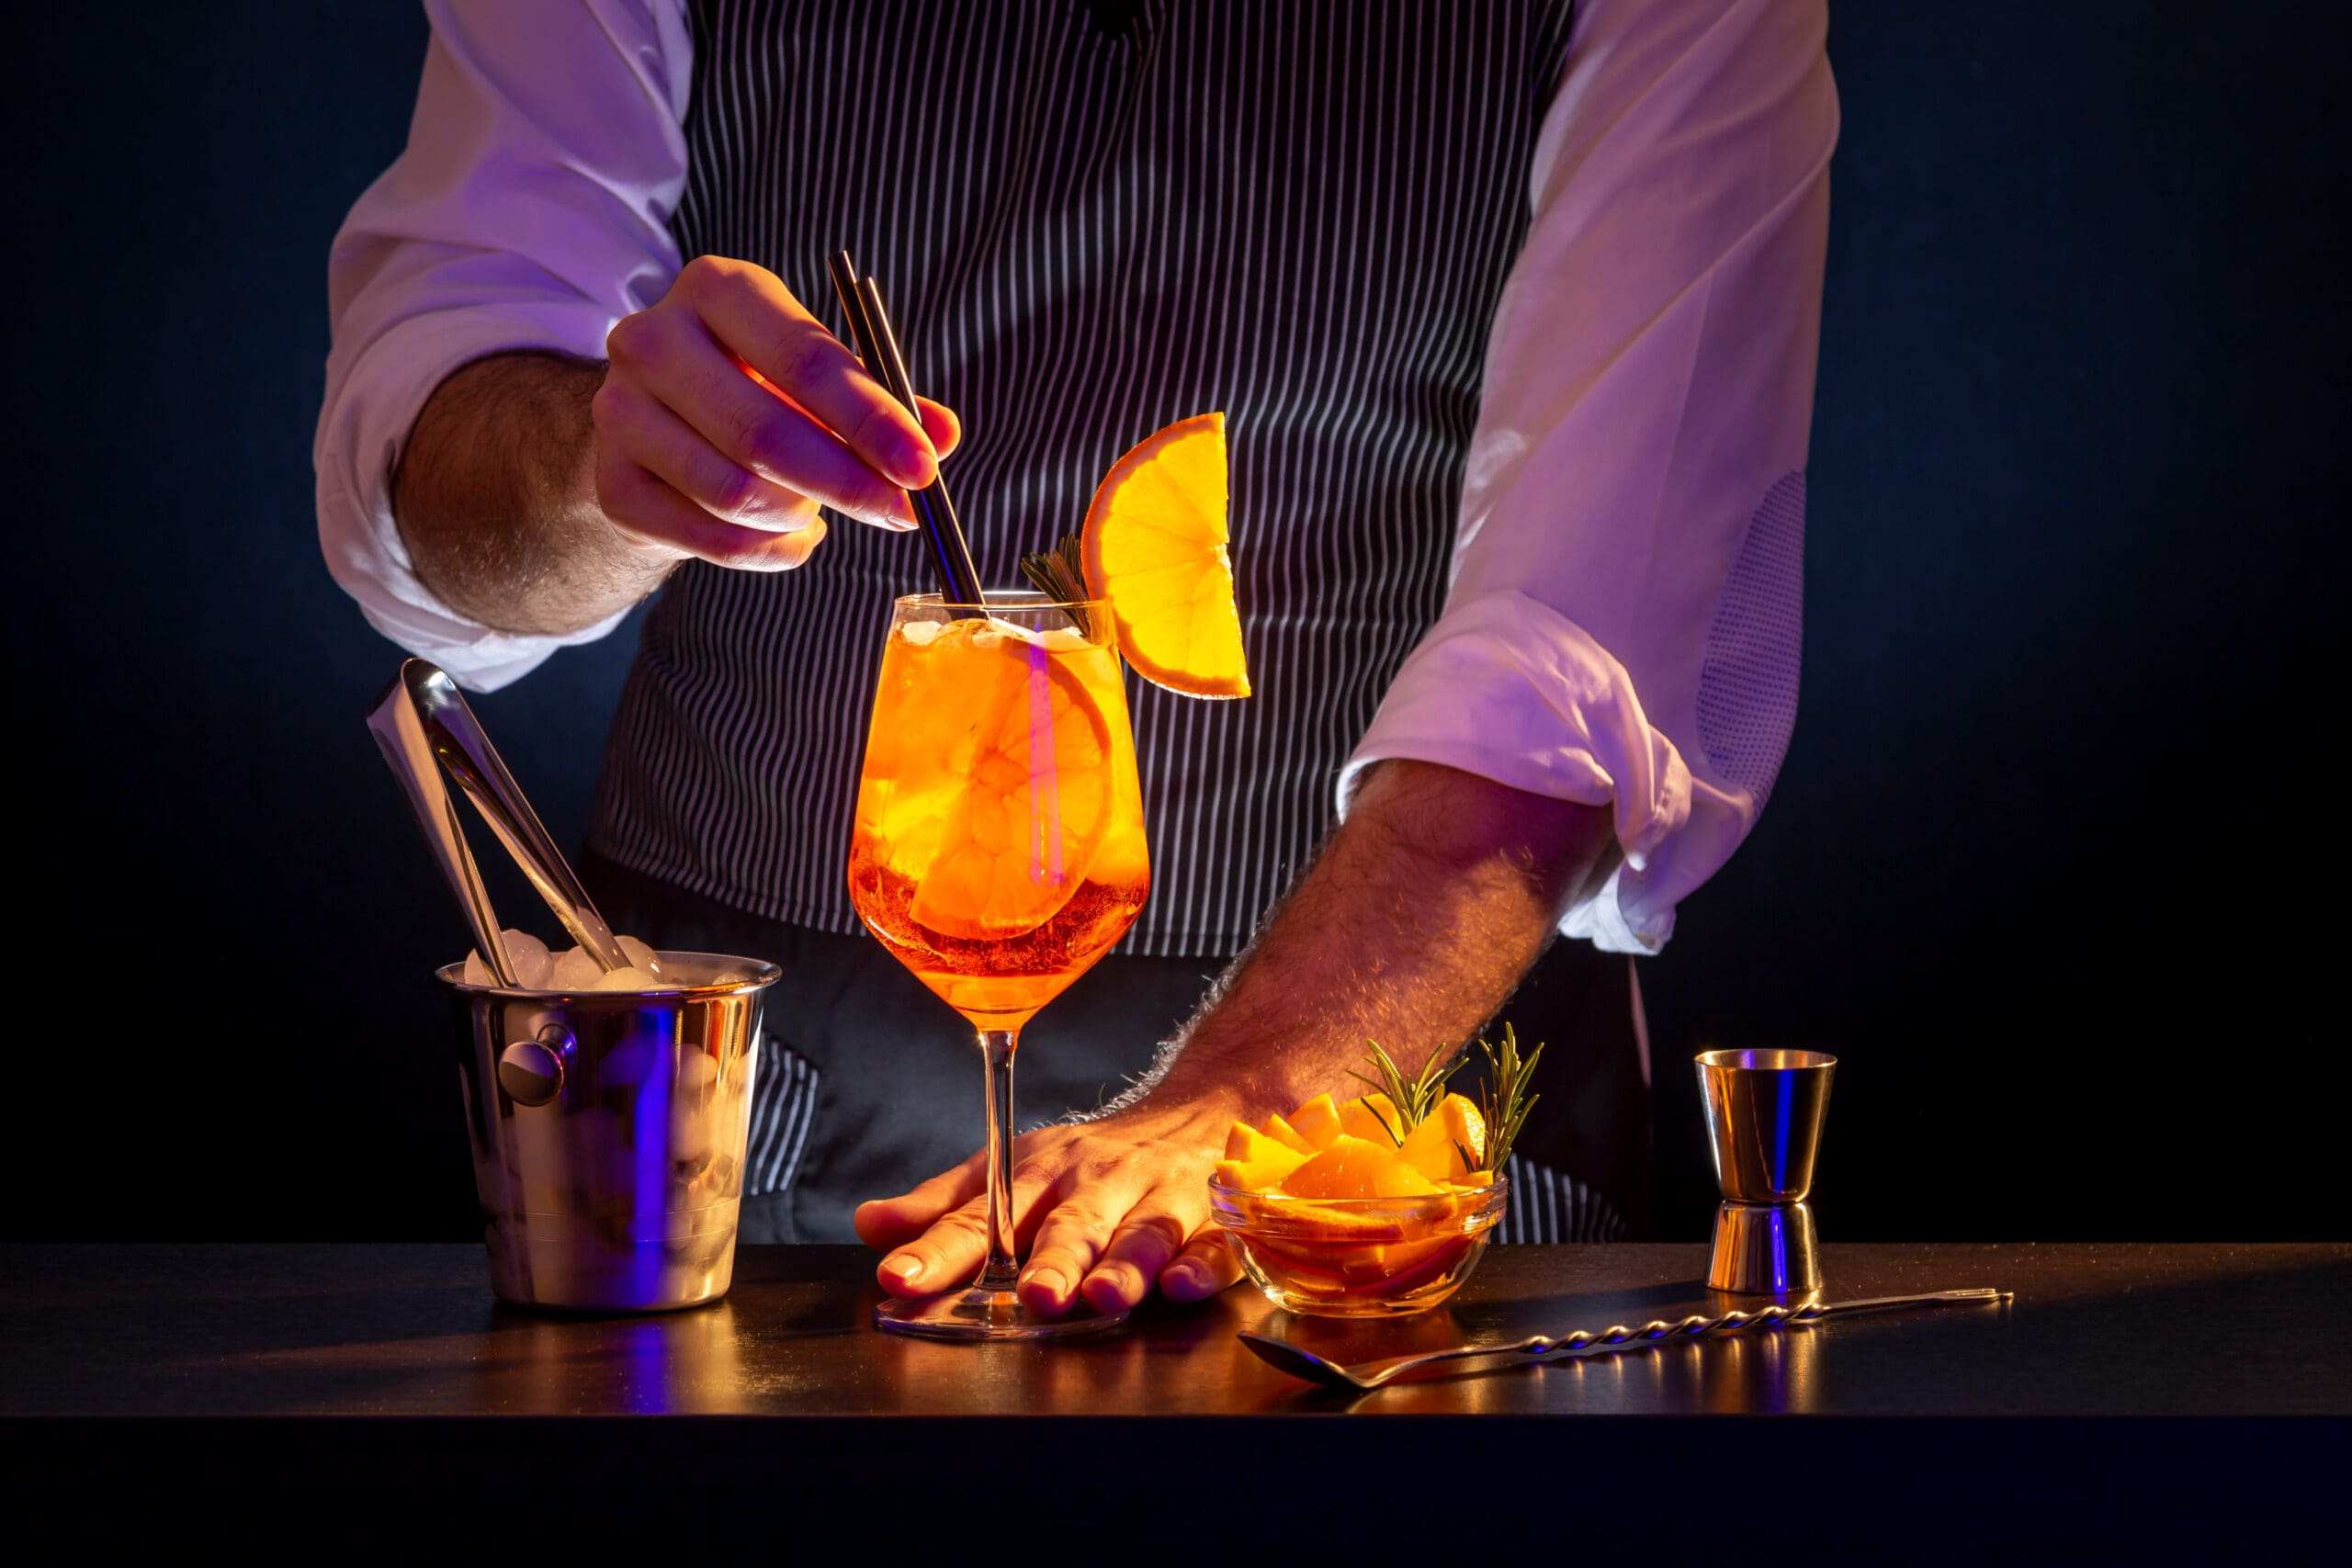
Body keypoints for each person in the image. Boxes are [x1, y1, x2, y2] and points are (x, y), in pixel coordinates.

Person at [316, 0, 1837, 1316]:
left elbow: (1598, 631)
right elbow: (440, 434)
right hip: (767, 1103)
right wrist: (601, 460)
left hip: (1388, 1106)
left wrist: (1244, 1100)